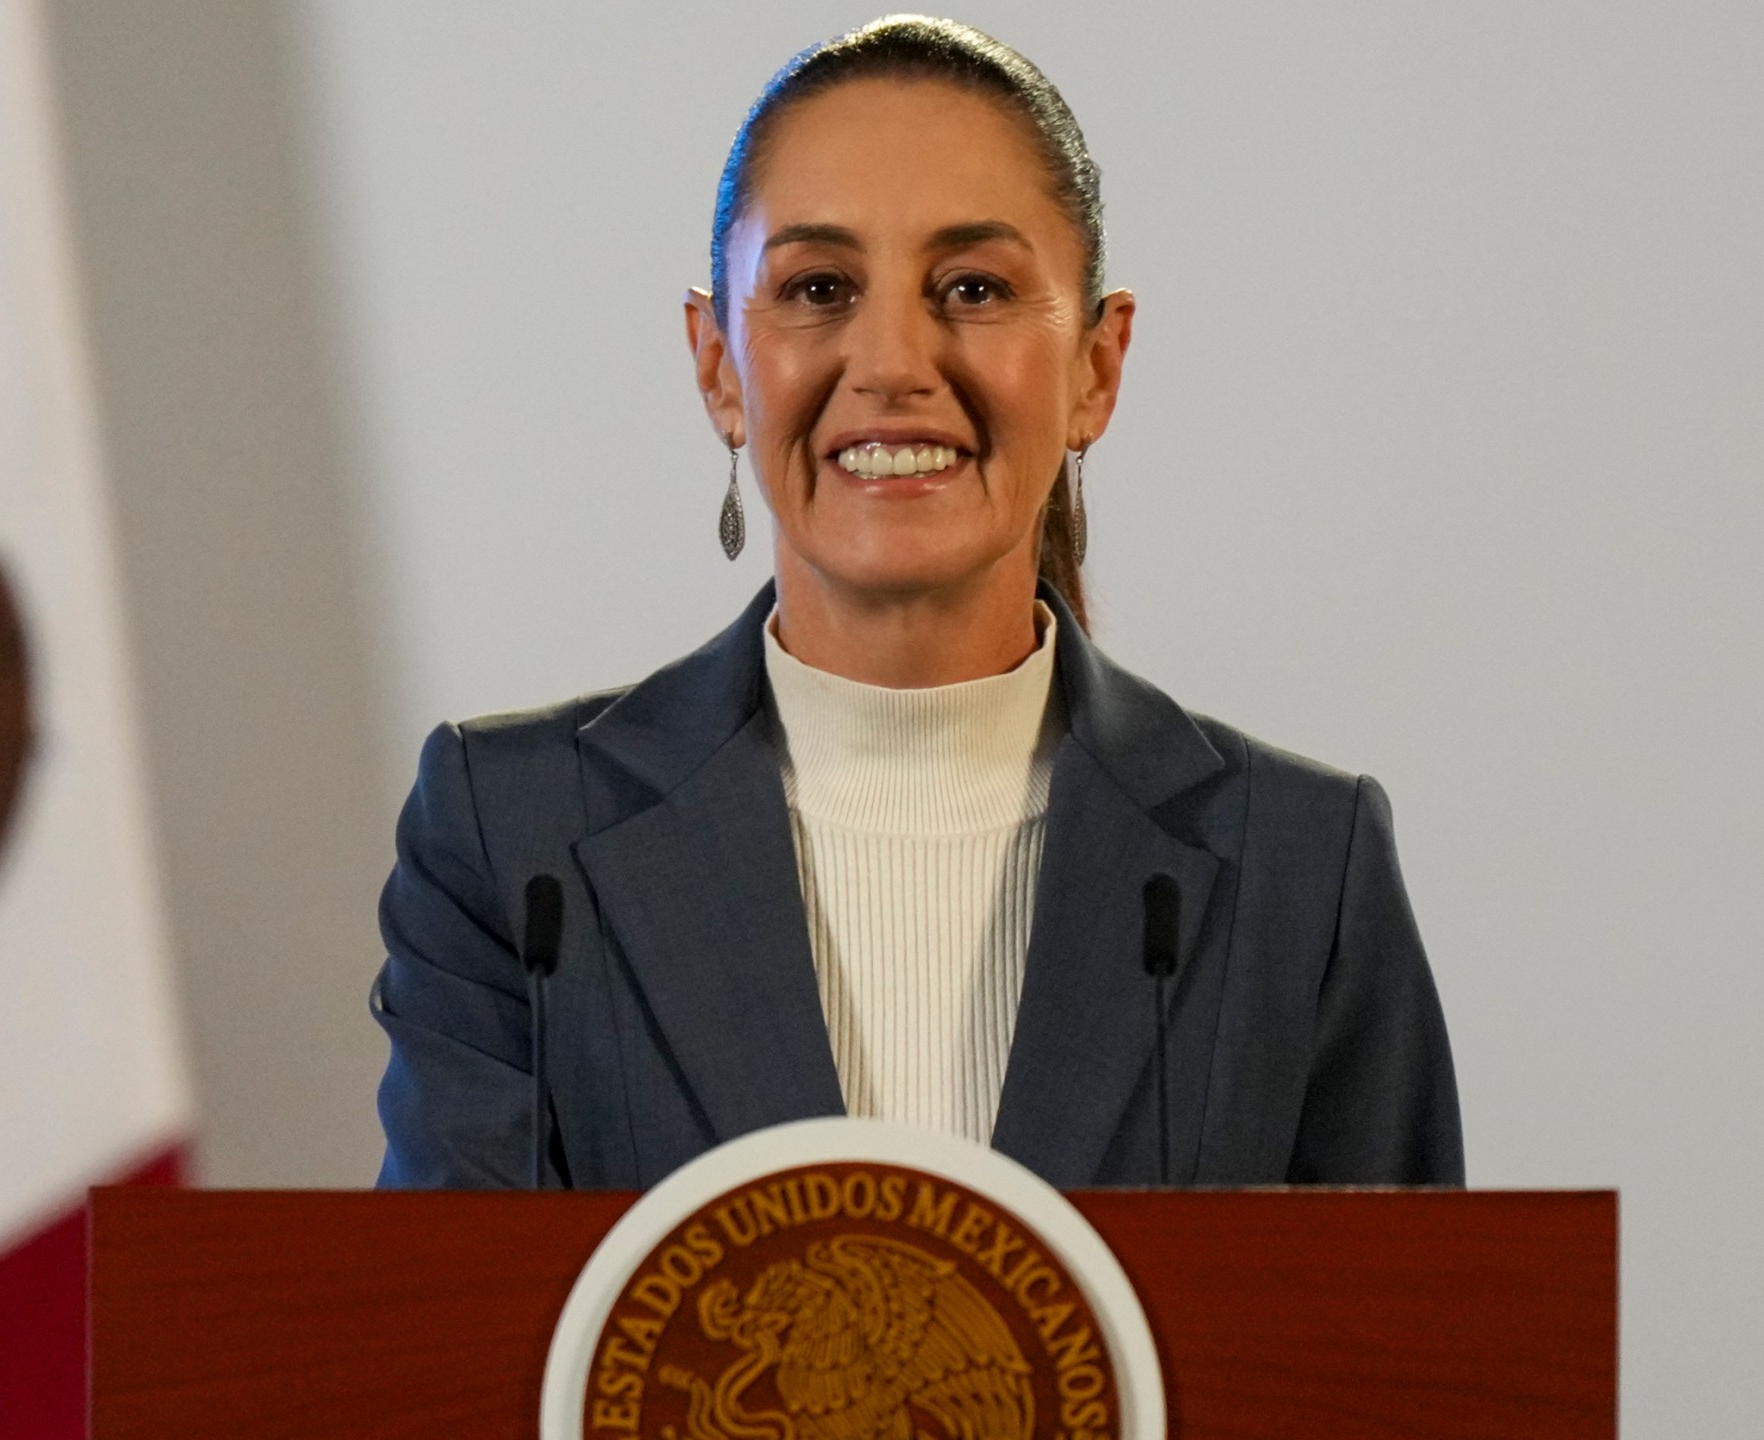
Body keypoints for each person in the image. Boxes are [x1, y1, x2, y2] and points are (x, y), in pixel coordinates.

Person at [369, 16, 1460, 1190]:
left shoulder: (1299, 868)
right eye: (819, 286)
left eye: (974, 287)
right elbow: (462, 1361)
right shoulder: (513, 843)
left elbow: (1396, 1363)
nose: (891, 362)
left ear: (1096, 367)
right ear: (719, 366)